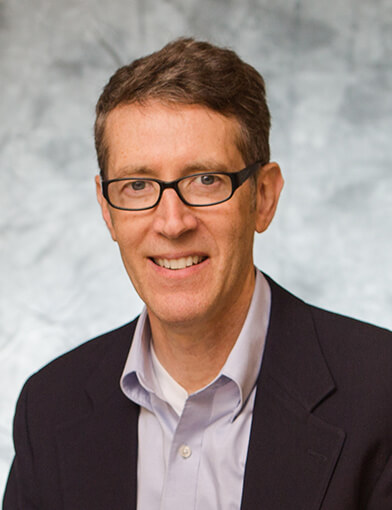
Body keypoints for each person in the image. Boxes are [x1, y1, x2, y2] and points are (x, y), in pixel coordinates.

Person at [3, 38, 392, 510]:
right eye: (138, 185)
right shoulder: (48, 408)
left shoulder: (380, 393)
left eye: (206, 180)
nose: (172, 222)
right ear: (107, 210)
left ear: (263, 197)